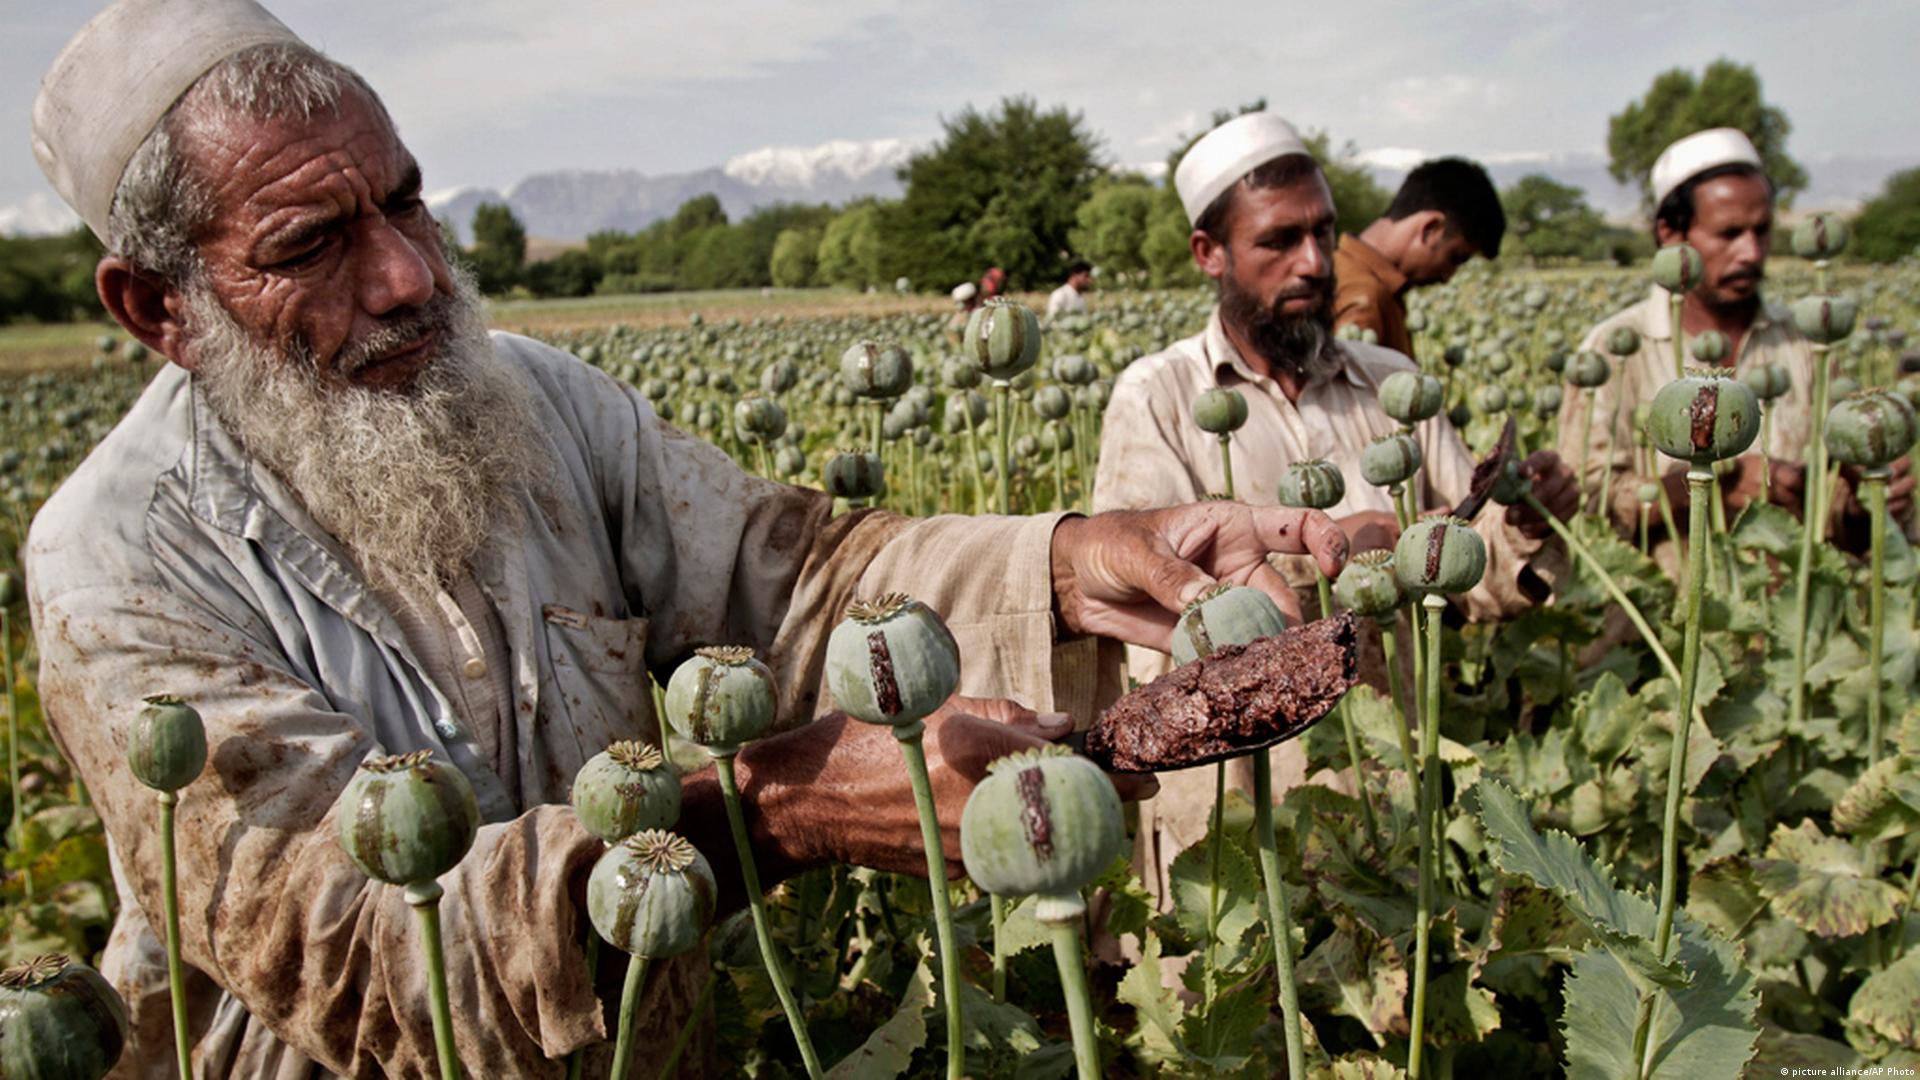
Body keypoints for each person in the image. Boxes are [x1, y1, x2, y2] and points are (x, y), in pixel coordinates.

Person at [24, 4, 1350, 1075]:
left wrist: (1066, 561)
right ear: (160, 307)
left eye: (407, 202)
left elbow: (795, 577)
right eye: (314, 243)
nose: (413, 275)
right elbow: (363, 961)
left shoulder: (533, 399)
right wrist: (775, 813)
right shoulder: (119, 566)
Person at [1091, 112, 1576, 908]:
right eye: (1279, 241)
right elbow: (1141, 594)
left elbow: (1465, 569)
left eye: (1325, 233)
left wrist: (1523, 522)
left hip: (1382, 789)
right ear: (1209, 254)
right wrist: (1337, 550)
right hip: (1236, 812)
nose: (1314, 263)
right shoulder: (1159, 397)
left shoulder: (1392, 384)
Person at [1556, 127, 1912, 556]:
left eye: (1761, 231)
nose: (1751, 252)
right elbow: (1583, 504)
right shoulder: (1613, 349)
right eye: (1729, 234)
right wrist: (1709, 483)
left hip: (1791, 613)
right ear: (1670, 232)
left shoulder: (1806, 343)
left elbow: (1842, 517)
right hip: (1659, 617)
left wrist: (1865, 502)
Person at [1333, 157, 1506, 359]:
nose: (1447, 277)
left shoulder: (1343, 270)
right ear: (1430, 228)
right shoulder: (1363, 299)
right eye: (1455, 258)